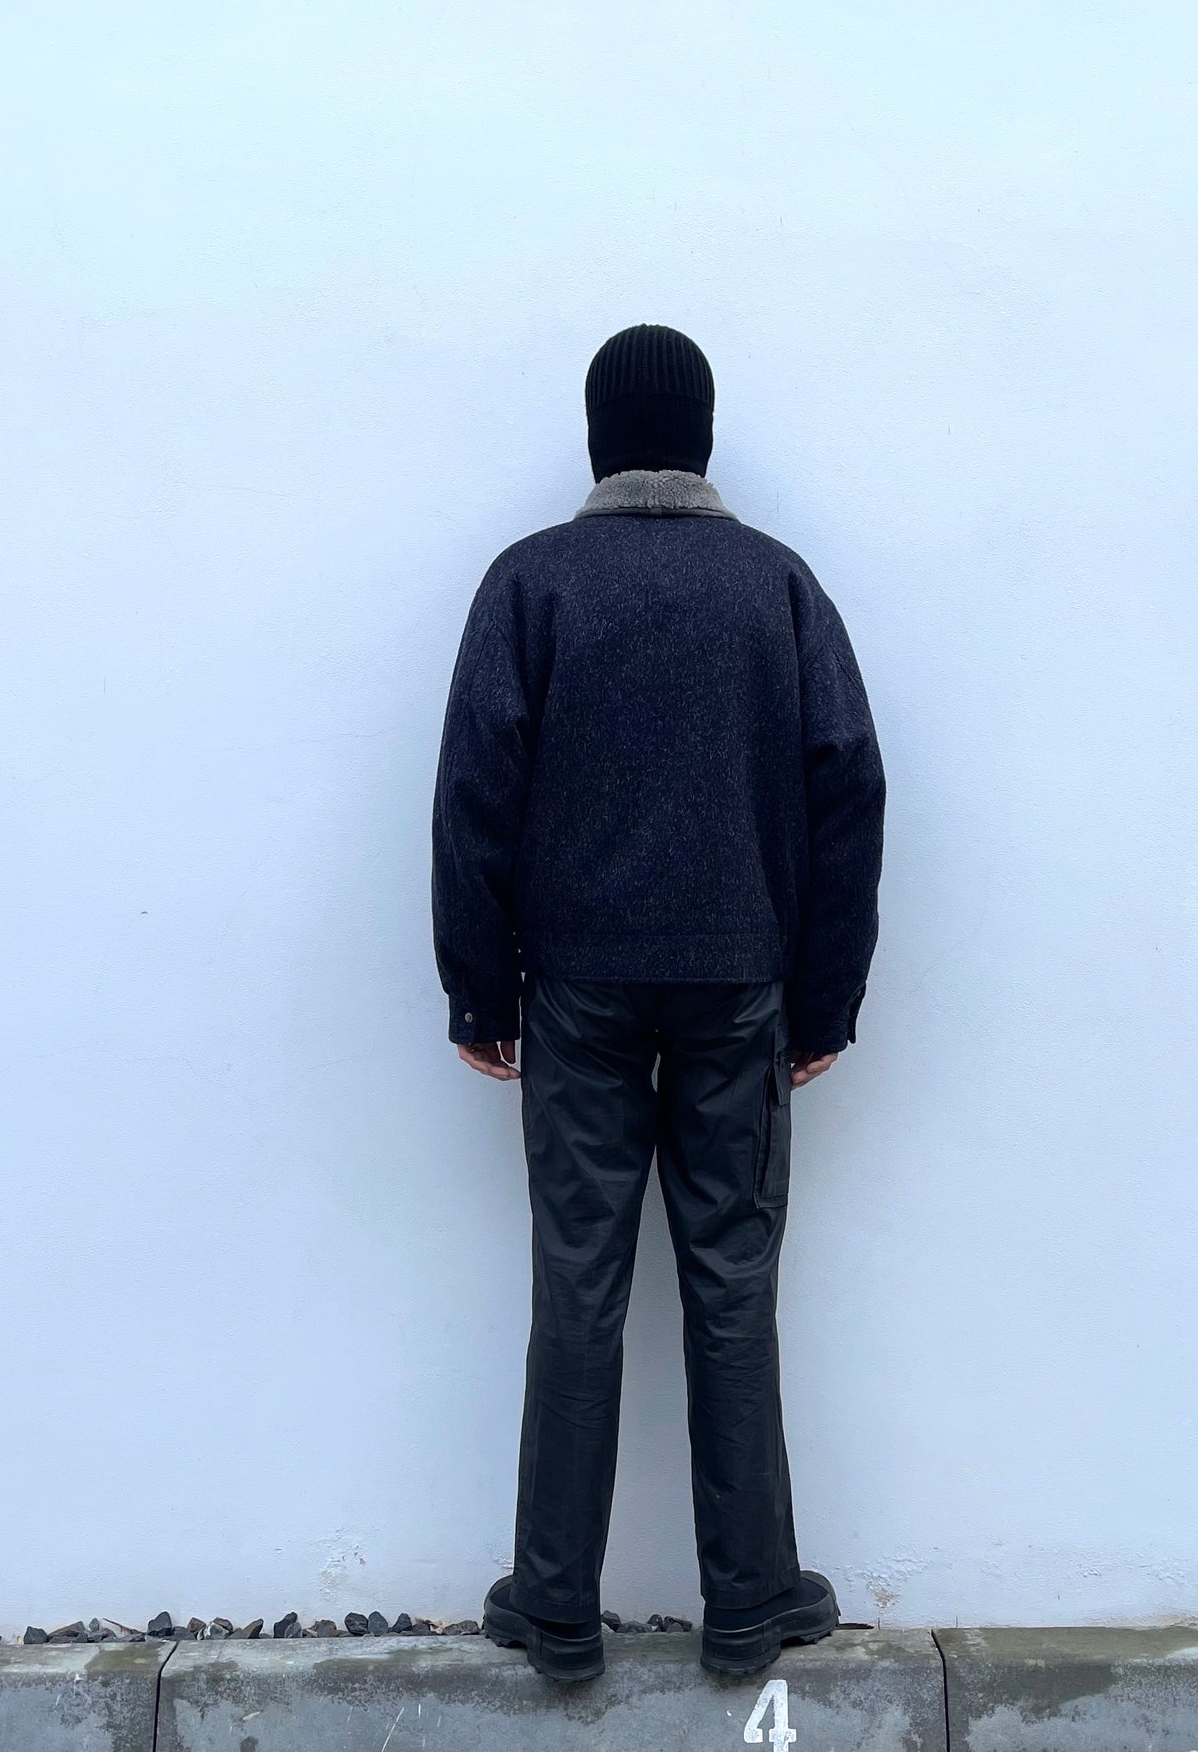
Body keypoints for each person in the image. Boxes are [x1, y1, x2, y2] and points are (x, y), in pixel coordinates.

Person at [432, 324, 885, 1681]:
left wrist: (479, 990)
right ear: (700, 436)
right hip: (739, 990)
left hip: (575, 989)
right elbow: (848, 787)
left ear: (597, 440)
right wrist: (824, 998)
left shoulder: (531, 582)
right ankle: (748, 1599)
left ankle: (555, 1605)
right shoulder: (775, 585)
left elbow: (475, 792)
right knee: (731, 1283)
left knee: (577, 1281)